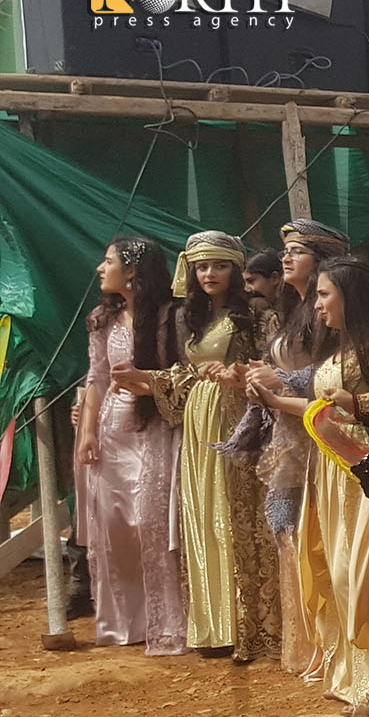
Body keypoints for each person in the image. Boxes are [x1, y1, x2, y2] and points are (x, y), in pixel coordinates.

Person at [144, 231, 277, 661]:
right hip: (199, 423)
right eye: (201, 266)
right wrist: (151, 382)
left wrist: (240, 377)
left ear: (236, 270)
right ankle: (213, 627)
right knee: (202, 518)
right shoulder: (192, 317)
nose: (208, 274)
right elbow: (190, 375)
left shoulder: (256, 314)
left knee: (233, 516)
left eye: (218, 265)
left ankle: (249, 626)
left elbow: (273, 370)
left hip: (238, 419)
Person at [293, 256, 369, 717]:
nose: (318, 306)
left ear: (351, 296)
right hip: (331, 481)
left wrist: (357, 403)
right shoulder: (336, 353)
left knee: (365, 578)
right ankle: (352, 676)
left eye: (324, 295)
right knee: (337, 573)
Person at [245, 220, 348, 680]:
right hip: (290, 431)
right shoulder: (294, 309)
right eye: (285, 250)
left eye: (297, 250)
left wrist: (278, 383)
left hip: (319, 433)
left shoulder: (329, 313)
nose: (285, 259)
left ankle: (337, 652)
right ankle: (313, 646)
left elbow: (333, 375)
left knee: (318, 538)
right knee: (289, 532)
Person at [77, 236, 186, 654]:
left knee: (150, 523)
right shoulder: (102, 319)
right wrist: (87, 433)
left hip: (154, 427)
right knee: (115, 527)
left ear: (134, 271)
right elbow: (96, 379)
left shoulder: (169, 317)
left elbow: (180, 373)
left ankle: (167, 621)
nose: (101, 269)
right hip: (111, 431)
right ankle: (125, 624)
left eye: (108, 262)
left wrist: (149, 388)